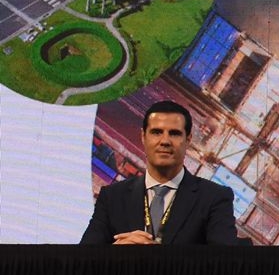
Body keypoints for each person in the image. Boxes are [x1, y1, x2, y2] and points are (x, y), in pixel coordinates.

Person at [81, 99, 238, 245]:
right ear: (143, 137)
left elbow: (225, 261)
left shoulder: (215, 199)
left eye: (174, 133)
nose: (165, 141)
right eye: (156, 132)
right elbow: (83, 259)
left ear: (188, 140)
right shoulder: (111, 197)